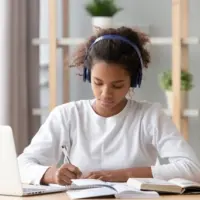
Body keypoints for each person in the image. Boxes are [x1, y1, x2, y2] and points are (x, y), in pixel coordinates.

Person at [18, 26, 200, 186]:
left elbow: (192, 169)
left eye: (117, 85)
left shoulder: (150, 115)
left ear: (134, 80)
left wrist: (121, 175)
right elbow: (21, 165)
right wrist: (51, 174)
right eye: (98, 83)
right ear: (88, 75)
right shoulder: (67, 115)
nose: (106, 94)